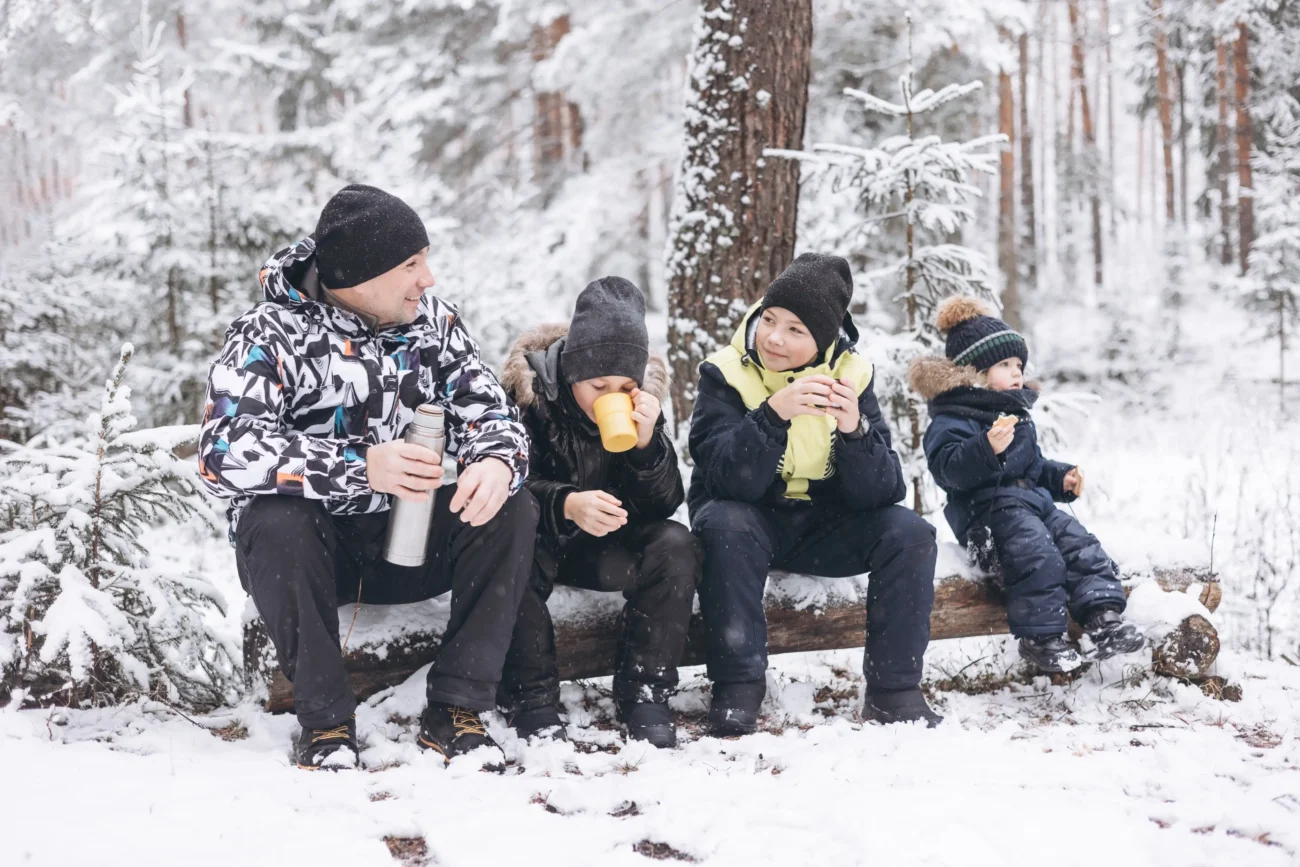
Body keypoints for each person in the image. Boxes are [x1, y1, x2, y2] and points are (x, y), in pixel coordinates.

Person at [199, 184, 538, 769]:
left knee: (511, 502)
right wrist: (361, 467)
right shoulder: (268, 335)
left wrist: (494, 459)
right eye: (411, 264)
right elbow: (222, 450)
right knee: (274, 516)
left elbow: (492, 412)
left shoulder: (433, 323)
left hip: (409, 542)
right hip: (309, 563)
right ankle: (326, 724)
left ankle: (457, 707)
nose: (426, 279)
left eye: (425, 260)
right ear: (361, 275)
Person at [688, 253, 941, 735]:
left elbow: (884, 490)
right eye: (769, 320)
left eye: (795, 330)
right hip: (749, 523)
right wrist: (769, 416)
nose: (775, 338)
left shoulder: (853, 376)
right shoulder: (725, 373)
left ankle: (895, 692)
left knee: (910, 533)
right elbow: (723, 480)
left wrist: (855, 430)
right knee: (724, 523)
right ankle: (737, 691)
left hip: (825, 524)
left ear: (823, 341)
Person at [496, 278, 700, 748]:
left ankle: (645, 691)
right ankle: (532, 699)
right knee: (510, 546)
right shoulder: (529, 399)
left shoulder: (639, 407)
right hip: (540, 540)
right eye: (598, 385)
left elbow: (667, 502)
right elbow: (507, 481)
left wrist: (648, 445)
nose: (612, 395)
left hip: (606, 548)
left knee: (676, 543)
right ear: (571, 371)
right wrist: (566, 503)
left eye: (625, 385)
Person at [910, 296, 1144, 674]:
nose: (1017, 372)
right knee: (1038, 556)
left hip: (1032, 505)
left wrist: (1060, 478)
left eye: (1019, 364)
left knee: (1081, 546)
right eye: (1005, 364)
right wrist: (985, 448)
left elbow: (1031, 467)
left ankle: (1103, 620)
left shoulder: (1013, 414)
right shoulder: (952, 417)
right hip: (987, 515)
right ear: (975, 371)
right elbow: (948, 470)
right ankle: (1042, 639)